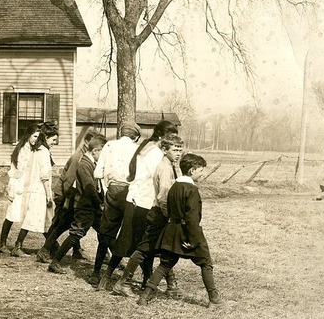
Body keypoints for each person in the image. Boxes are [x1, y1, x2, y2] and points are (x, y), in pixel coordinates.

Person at [138, 153, 228, 308]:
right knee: (206, 263)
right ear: (192, 170)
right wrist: (193, 240)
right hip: (188, 233)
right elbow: (192, 218)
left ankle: (145, 297)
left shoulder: (174, 186)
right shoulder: (192, 190)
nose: (202, 173)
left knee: (165, 265)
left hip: (172, 232)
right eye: (201, 170)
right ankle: (215, 299)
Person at [111, 134, 184, 296]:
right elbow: (163, 196)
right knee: (145, 249)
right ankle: (123, 282)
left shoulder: (169, 165)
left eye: (180, 149)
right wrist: (169, 216)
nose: (178, 153)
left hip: (160, 213)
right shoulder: (164, 167)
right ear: (164, 150)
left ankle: (170, 285)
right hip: (159, 214)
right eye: (175, 149)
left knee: (162, 249)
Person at [89, 122, 141, 284]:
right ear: (135, 136)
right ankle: (128, 272)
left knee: (106, 232)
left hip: (112, 191)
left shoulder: (110, 145)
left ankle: (96, 272)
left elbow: (98, 173)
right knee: (130, 233)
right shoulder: (137, 149)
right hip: (130, 193)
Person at [47, 134, 107, 274]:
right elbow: (89, 188)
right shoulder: (84, 164)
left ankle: (112, 262)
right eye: (102, 153)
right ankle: (55, 262)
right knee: (76, 234)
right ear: (95, 151)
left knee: (105, 233)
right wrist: (99, 203)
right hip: (85, 206)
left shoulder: (90, 163)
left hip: (91, 206)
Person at [36, 126, 97, 263]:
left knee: (69, 223)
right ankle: (45, 250)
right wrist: (66, 201)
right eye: (92, 143)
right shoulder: (79, 157)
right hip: (66, 194)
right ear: (86, 143)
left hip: (72, 195)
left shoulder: (87, 156)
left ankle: (76, 251)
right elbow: (69, 180)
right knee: (62, 223)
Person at [0, 124, 53, 256]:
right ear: (28, 135)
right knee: (12, 214)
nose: (36, 139)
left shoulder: (34, 149)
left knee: (27, 214)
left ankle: (49, 245)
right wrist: (14, 188)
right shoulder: (23, 149)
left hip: (27, 186)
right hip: (18, 186)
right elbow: (17, 171)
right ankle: (3, 243)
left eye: (38, 137)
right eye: (34, 136)